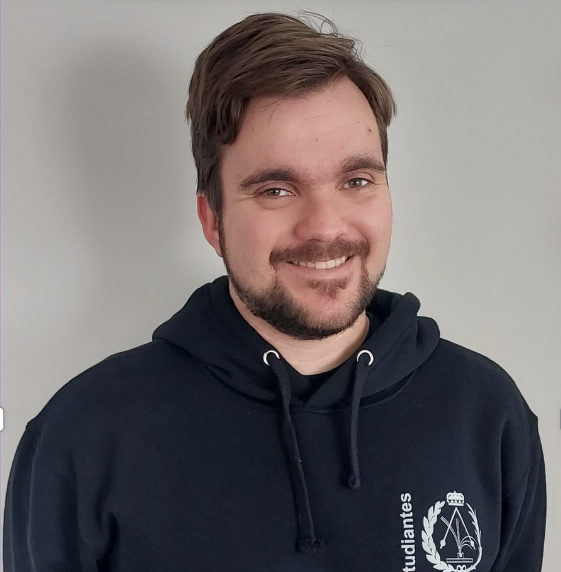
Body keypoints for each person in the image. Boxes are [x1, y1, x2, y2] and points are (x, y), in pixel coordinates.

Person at [3, 12, 546, 572]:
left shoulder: (486, 415)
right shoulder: (84, 436)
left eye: (356, 180)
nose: (325, 227)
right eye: (277, 189)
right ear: (212, 220)